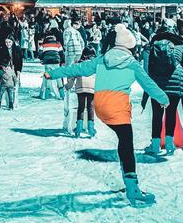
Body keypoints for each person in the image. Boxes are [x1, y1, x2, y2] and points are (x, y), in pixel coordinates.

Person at [45, 23, 169, 207]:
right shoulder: (133, 64)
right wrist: (163, 98)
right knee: (127, 144)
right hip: (117, 107)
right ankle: (132, 187)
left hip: (100, 105)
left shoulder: (102, 59)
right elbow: (148, 84)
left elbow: (78, 69)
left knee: (123, 140)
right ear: (130, 47)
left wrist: (53, 73)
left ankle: (128, 180)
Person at [143, 26, 183, 156]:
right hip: (176, 84)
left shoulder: (151, 47)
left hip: (157, 85)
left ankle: (155, 145)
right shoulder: (180, 47)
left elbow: (146, 69)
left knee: (157, 115)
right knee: (171, 113)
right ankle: (170, 145)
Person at [68, 46, 98, 137]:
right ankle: (91, 129)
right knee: (90, 107)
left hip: (80, 87)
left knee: (81, 107)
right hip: (92, 88)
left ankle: (79, 128)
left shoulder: (78, 64)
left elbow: (72, 76)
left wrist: (68, 86)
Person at [0, 35, 23, 110]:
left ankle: (12, 103)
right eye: (6, 42)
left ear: (12, 42)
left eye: (9, 42)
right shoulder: (1, 49)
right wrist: (1, 67)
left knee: (13, 88)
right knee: (0, 87)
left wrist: (18, 70)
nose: (8, 44)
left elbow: (20, 61)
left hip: (14, 70)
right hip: (3, 70)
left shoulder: (17, 49)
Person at [37, 33, 65, 100]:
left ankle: (47, 95)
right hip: (56, 62)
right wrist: (62, 61)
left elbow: (39, 53)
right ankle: (62, 95)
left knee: (48, 78)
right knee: (58, 78)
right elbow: (62, 53)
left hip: (47, 62)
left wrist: (42, 59)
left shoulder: (44, 45)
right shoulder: (58, 44)